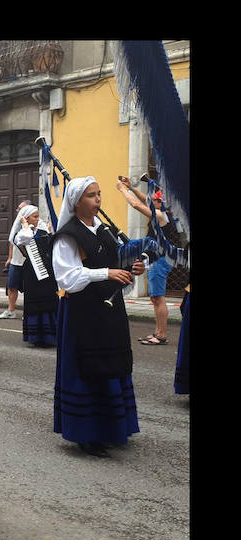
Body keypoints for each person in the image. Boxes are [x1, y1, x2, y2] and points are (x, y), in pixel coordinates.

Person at [51, 177, 145, 457]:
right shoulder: (68, 236)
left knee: (112, 363)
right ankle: (86, 434)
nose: (98, 200)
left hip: (109, 309)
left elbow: (115, 265)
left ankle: (112, 427)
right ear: (77, 201)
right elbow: (67, 278)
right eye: (91, 196)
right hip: (82, 313)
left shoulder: (104, 231)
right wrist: (106, 273)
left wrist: (131, 268)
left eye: (99, 194)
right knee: (88, 367)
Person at [116, 177, 172, 346]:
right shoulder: (159, 211)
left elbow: (136, 205)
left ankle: (161, 335)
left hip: (160, 260)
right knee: (155, 298)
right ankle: (157, 331)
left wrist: (122, 190)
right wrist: (131, 187)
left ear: (161, 202)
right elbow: (143, 200)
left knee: (158, 297)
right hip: (155, 259)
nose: (152, 200)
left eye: (156, 199)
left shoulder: (161, 216)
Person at [11, 204, 58, 347]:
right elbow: (25, 240)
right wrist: (25, 225)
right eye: (35, 216)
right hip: (32, 272)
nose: (38, 219)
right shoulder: (21, 234)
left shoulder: (42, 231)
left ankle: (50, 335)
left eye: (38, 216)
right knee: (36, 302)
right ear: (26, 218)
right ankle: (37, 336)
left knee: (50, 300)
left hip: (48, 271)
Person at [0, 201, 30, 320]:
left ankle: (28, 312)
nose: (18, 211)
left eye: (21, 209)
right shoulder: (16, 225)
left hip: (27, 262)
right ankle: (11, 311)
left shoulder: (35, 225)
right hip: (15, 262)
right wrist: (10, 257)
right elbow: (12, 241)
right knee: (12, 287)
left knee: (29, 288)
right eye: (18, 208)